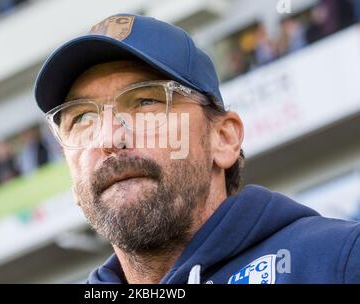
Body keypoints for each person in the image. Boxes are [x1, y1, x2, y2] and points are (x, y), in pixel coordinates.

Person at [34, 14, 360, 284]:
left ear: (224, 138)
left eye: (146, 101)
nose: (108, 139)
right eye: (82, 119)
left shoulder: (337, 262)